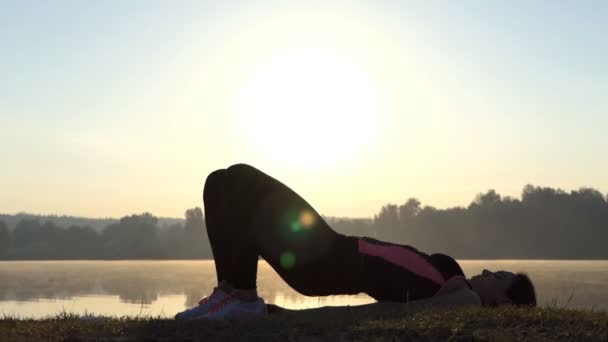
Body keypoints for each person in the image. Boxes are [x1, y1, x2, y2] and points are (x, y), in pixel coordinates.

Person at [175, 164, 536, 320]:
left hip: (323, 258)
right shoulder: (455, 283)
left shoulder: (465, 300)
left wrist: (287, 317)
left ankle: (242, 301)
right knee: (220, 182)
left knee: (241, 180)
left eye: (500, 277)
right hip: (330, 248)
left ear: (503, 303)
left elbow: (386, 314)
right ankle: (230, 294)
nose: (489, 270)